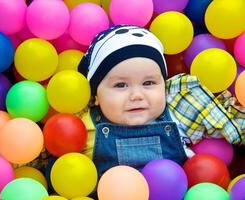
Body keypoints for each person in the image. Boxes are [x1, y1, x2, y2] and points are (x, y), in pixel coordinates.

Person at [77, 24, 245, 177]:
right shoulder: (83, 127)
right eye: (121, 85)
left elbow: (231, 126)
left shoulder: (179, 113)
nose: (137, 95)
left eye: (148, 83)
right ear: (96, 96)